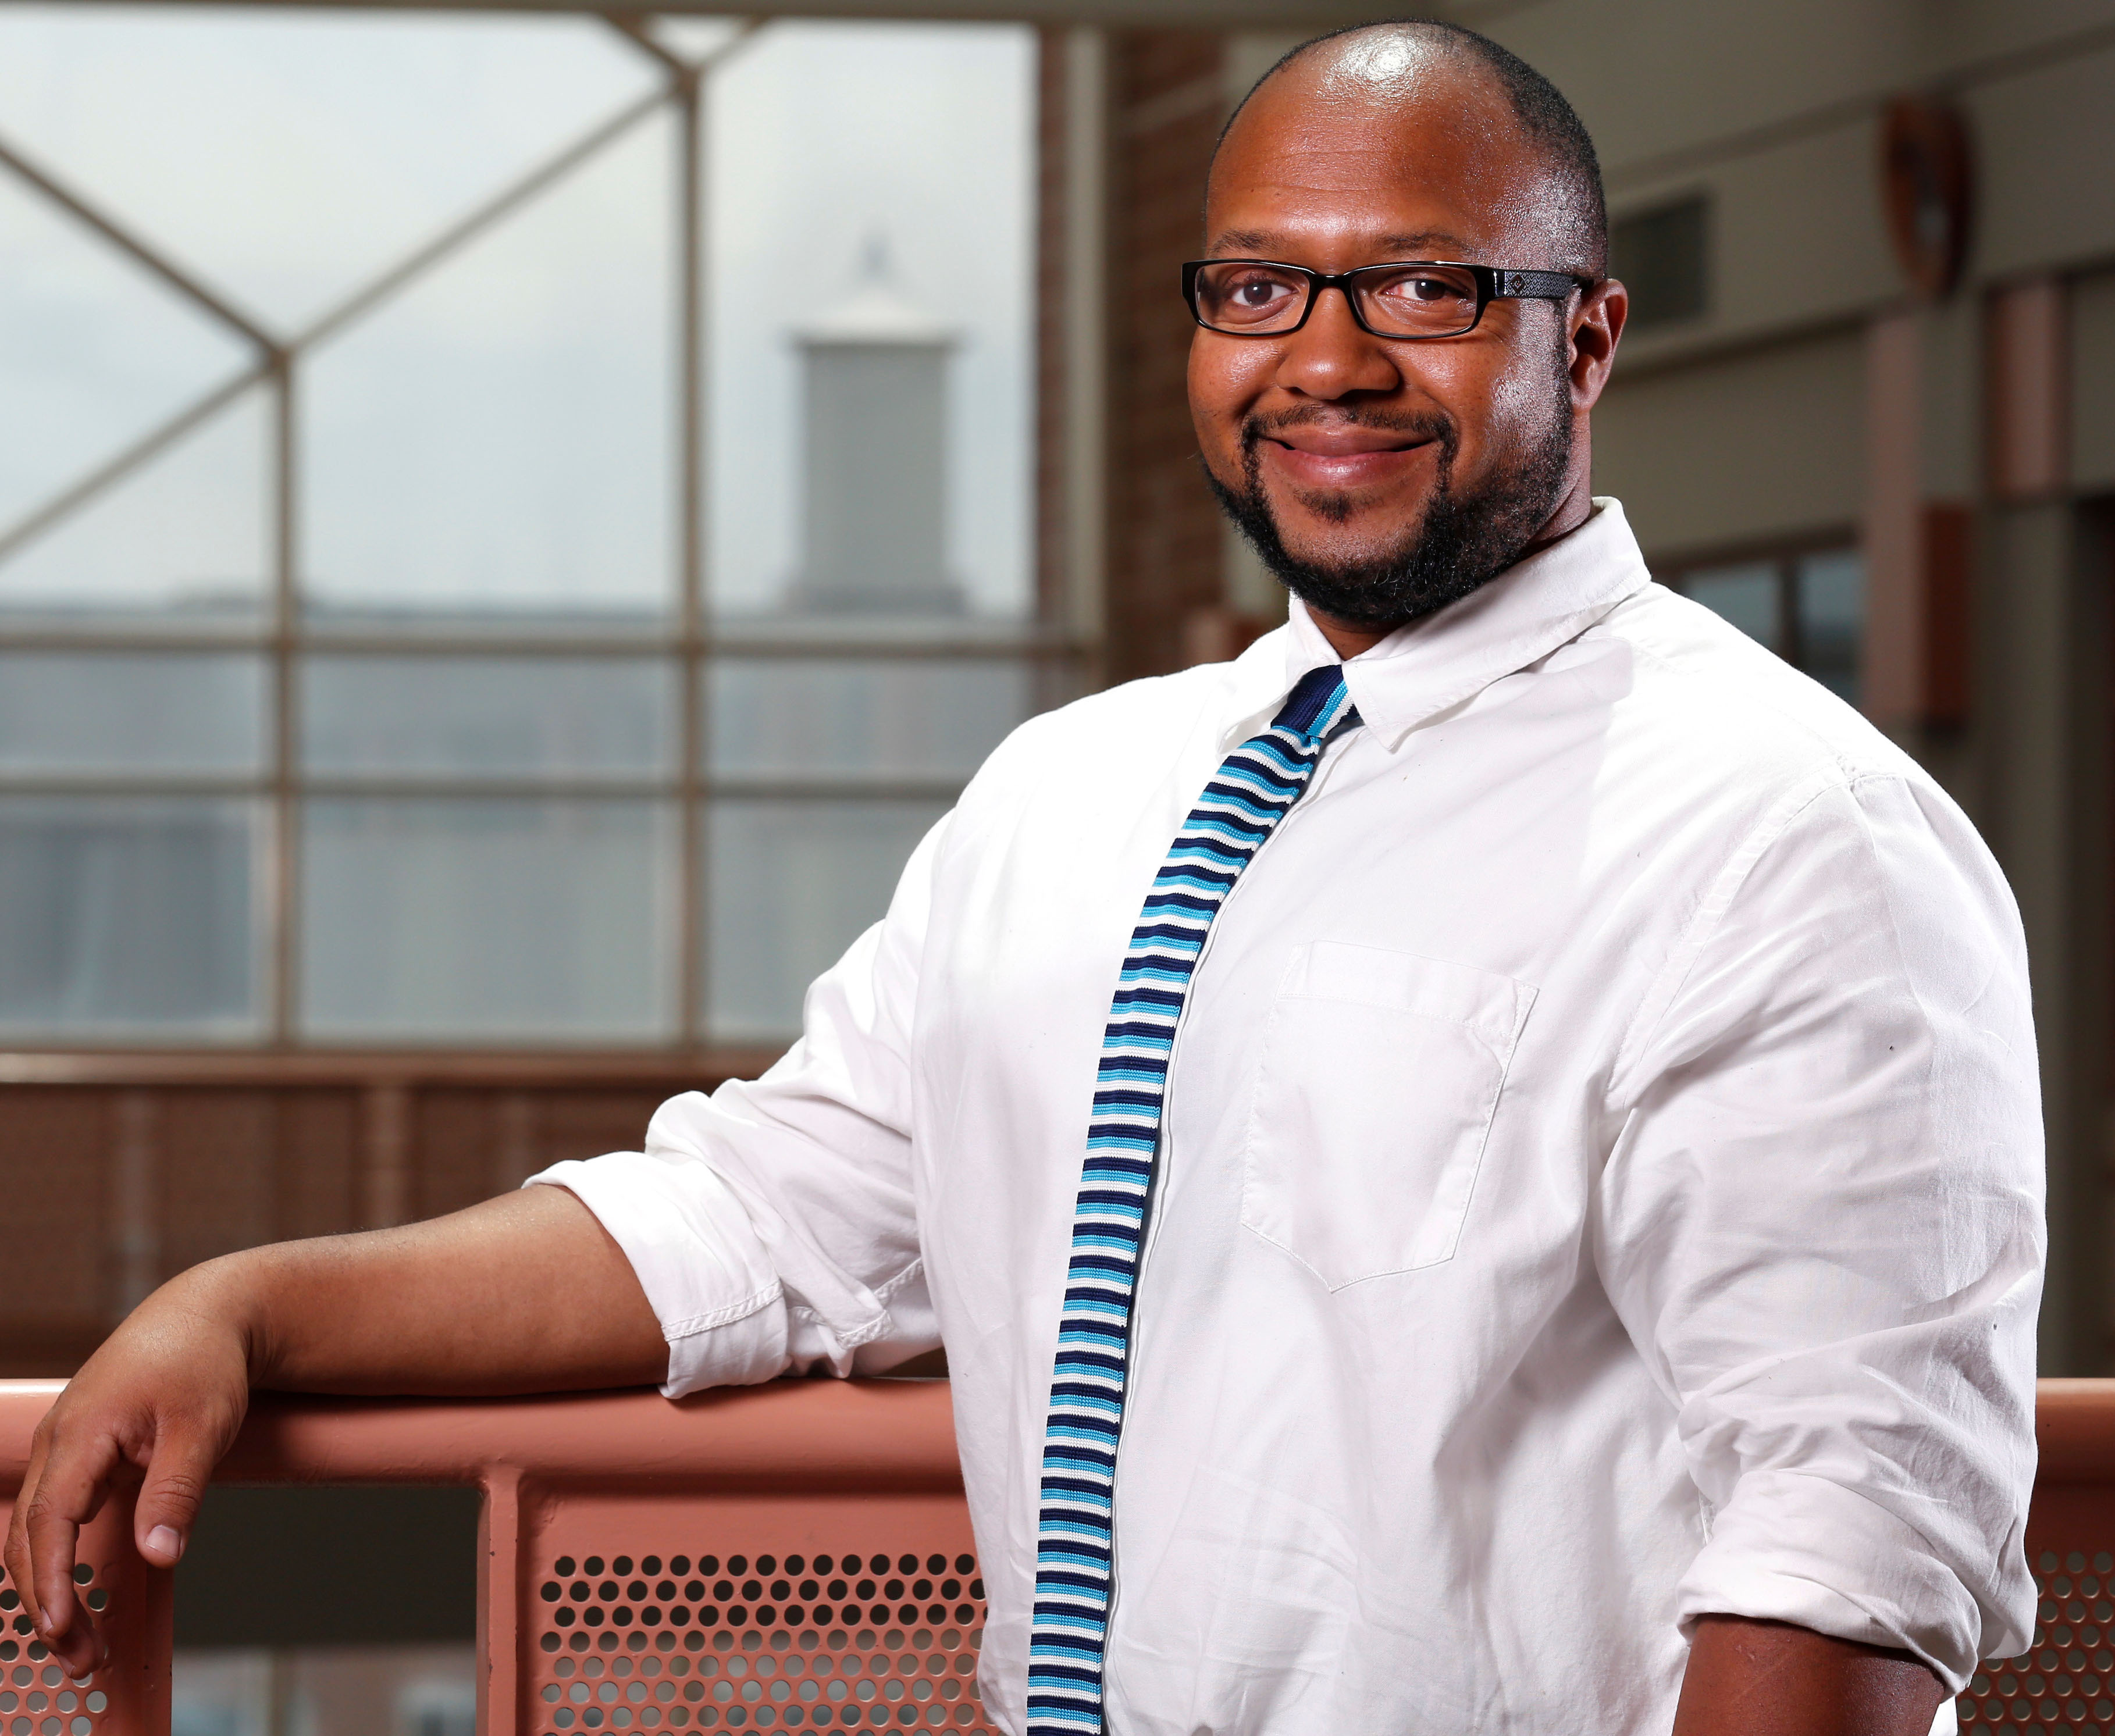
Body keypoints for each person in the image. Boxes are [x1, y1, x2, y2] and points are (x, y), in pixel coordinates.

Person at [8, 21, 2042, 1736]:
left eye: (1423, 287)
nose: (1325, 358)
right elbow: (761, 1215)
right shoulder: (1073, 793)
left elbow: (1841, 1537)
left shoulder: (1787, 832)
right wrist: (245, 1304)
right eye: (1257, 289)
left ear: (1583, 338)